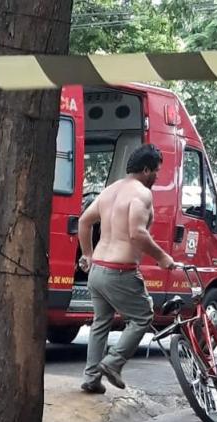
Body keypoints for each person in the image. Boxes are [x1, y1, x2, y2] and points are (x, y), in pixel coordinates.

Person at [77, 143, 175, 394]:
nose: (157, 176)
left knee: (101, 322)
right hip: (120, 271)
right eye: (156, 171)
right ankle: (114, 362)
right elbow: (137, 233)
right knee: (143, 316)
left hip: (98, 270)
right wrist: (162, 257)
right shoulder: (141, 194)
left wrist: (88, 254)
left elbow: (84, 221)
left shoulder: (110, 190)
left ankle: (91, 378)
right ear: (146, 170)